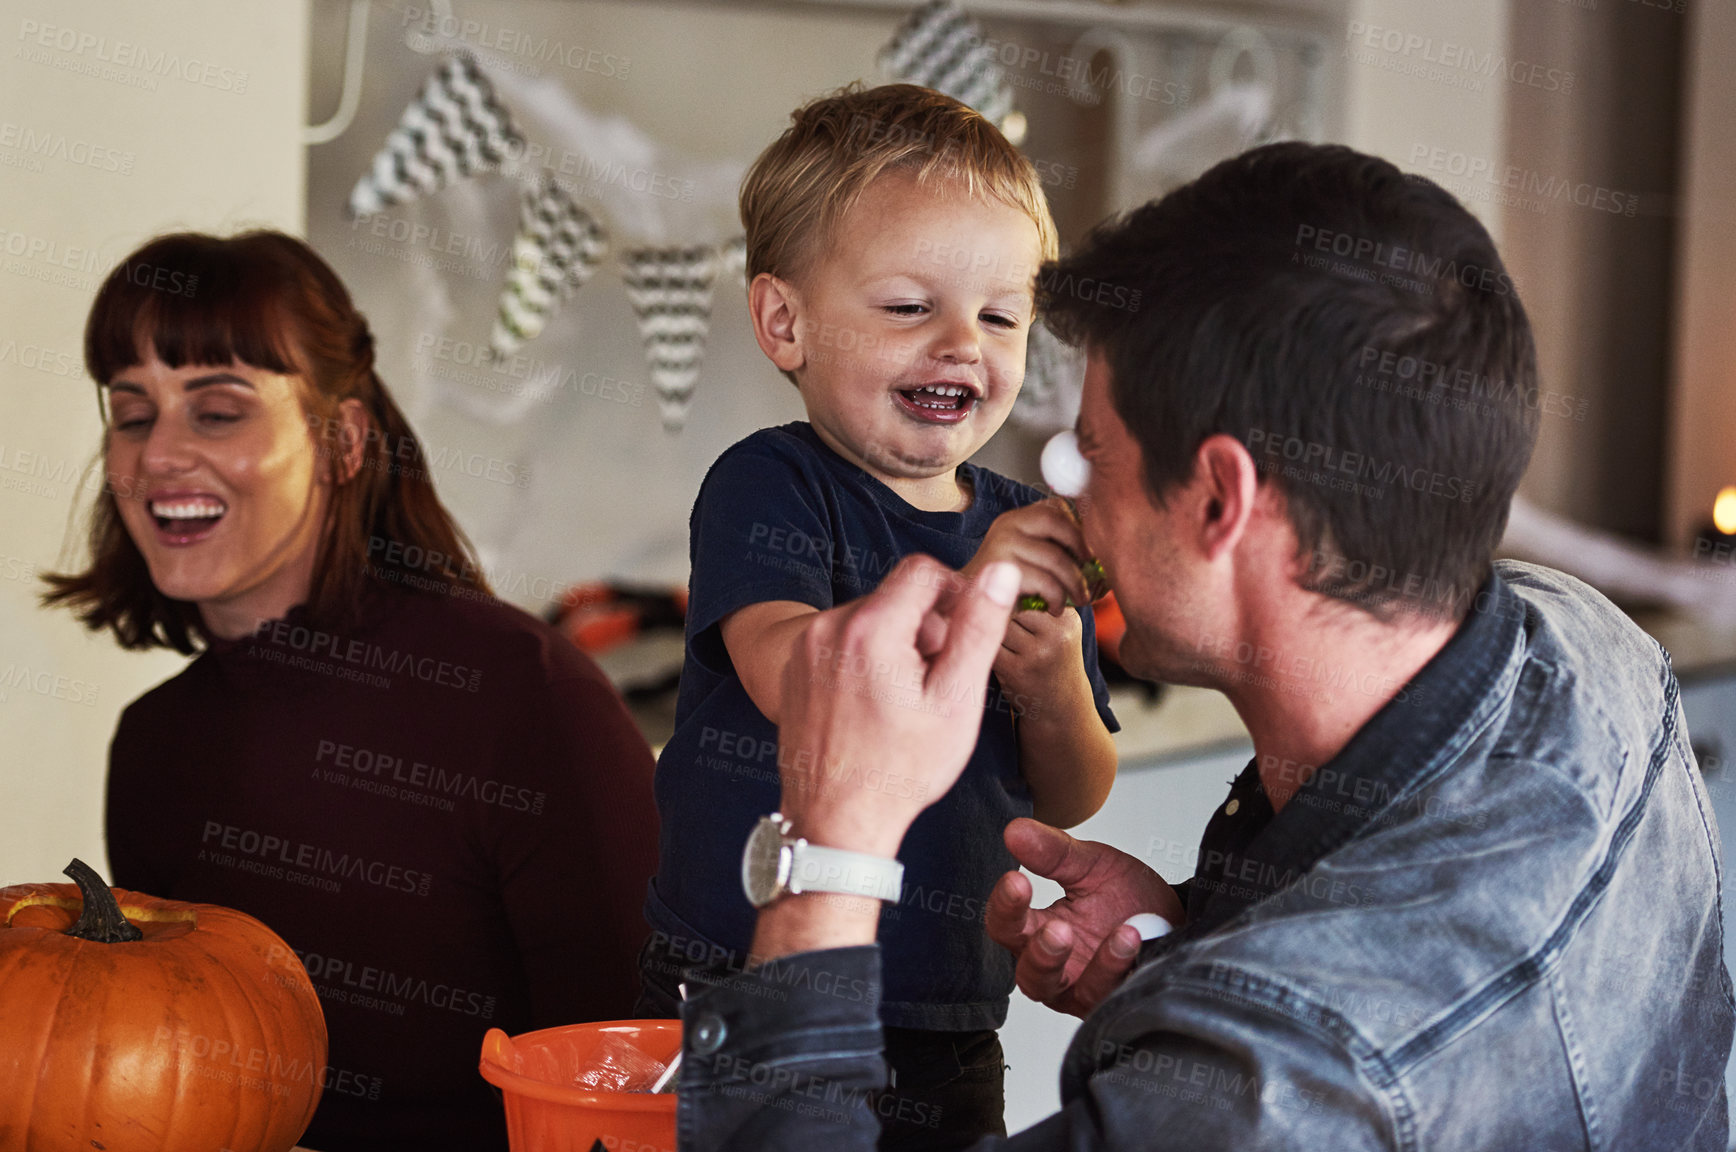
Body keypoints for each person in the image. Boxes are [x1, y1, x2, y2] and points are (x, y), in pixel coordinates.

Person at [664, 142, 1735, 1149]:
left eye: (1090, 453)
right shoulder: (1594, 647)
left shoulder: (1263, 1092)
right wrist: (1191, 939)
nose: (1067, 495)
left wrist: (830, 856)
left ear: (1218, 498)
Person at [43, 231, 659, 1152]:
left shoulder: (522, 697)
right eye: (133, 414)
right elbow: (152, 1074)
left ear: (341, 442)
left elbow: (635, 1085)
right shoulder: (153, 745)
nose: (159, 455)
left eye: (216, 412)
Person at [638, 84, 1119, 1148]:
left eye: (999, 316)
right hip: (743, 977)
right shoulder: (769, 485)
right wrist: (977, 598)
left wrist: (1046, 684)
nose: (961, 343)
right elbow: (797, 677)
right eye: (909, 307)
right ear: (784, 321)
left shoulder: (1021, 526)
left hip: (945, 1011)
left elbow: (1073, 792)